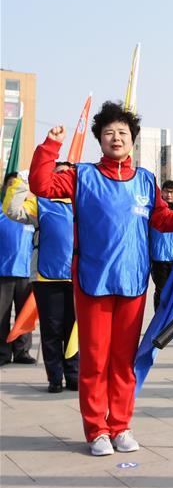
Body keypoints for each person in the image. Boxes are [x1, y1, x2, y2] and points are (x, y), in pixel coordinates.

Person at [28, 101, 173, 457]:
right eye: (109, 132)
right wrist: (50, 147)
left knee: (124, 360)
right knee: (95, 360)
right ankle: (97, 430)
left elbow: (162, 220)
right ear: (100, 138)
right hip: (93, 280)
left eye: (123, 133)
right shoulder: (82, 175)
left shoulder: (145, 180)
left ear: (133, 140)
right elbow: (41, 184)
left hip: (132, 283)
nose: (116, 138)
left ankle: (121, 426)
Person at [3, 165, 79, 392]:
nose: (61, 177)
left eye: (66, 174)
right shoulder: (40, 202)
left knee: (74, 329)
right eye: (57, 173)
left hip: (76, 278)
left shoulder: (81, 204)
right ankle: (55, 378)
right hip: (47, 277)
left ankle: (74, 375)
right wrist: (20, 183)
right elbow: (12, 211)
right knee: (51, 329)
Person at [0, 172, 36, 366]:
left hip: (26, 273)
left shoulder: (29, 213)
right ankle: (2, 353)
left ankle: (22, 351)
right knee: (1, 315)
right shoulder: (2, 212)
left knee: (25, 315)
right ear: (5, 188)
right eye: (10, 184)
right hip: (3, 272)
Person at [149, 180, 173, 311]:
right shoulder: (154, 211)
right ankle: (160, 325)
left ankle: (172, 323)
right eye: (167, 191)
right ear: (161, 192)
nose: (169, 195)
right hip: (158, 259)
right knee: (161, 292)